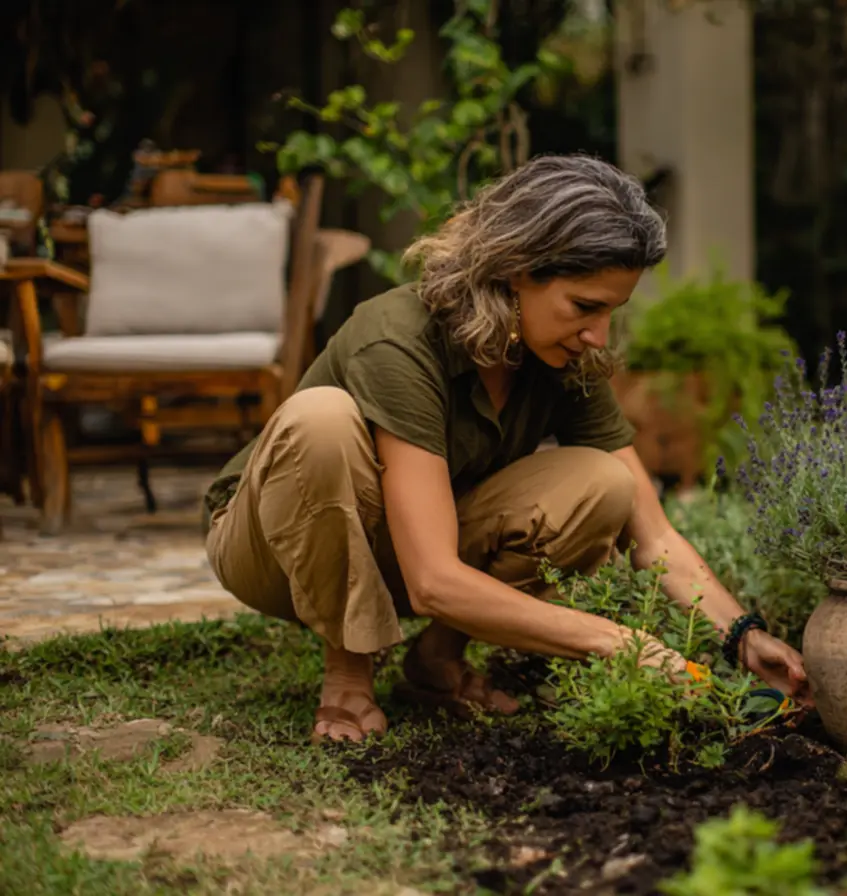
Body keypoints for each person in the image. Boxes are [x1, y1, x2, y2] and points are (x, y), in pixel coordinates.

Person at [202, 154, 811, 743]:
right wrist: (616, 641)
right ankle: (348, 675)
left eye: (612, 313)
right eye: (585, 308)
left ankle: (437, 658)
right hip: (271, 544)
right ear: (516, 270)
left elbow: (651, 535)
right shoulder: (398, 340)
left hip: (405, 545)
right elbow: (433, 580)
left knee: (608, 484)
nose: (598, 335)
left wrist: (743, 634)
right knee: (322, 420)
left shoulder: (563, 353)